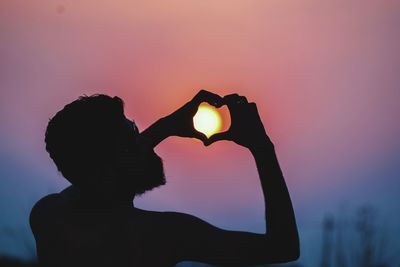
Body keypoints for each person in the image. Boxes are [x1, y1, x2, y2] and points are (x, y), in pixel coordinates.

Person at [30, 90, 299, 267]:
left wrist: (166, 126)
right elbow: (283, 247)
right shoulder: (160, 235)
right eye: (132, 139)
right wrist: (262, 148)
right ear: (105, 169)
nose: (147, 144)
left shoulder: (49, 216)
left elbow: (89, 177)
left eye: (136, 130)